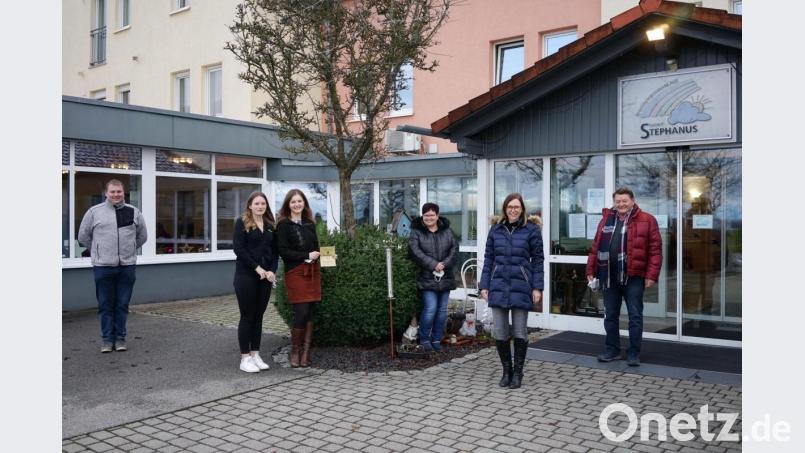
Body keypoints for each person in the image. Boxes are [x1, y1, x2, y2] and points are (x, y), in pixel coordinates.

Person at [586, 187, 662, 367]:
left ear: (633, 201)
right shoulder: (606, 220)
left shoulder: (647, 220)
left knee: (635, 316)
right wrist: (590, 270)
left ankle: (633, 352)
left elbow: (655, 250)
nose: (621, 204)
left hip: (634, 276)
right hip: (609, 276)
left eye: (624, 201)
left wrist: (652, 275)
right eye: (618, 201)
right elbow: (596, 247)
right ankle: (612, 349)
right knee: (610, 315)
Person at [479, 193, 544, 389]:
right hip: (498, 285)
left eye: (516, 207)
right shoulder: (495, 230)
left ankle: (518, 373)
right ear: (505, 209)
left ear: (522, 209)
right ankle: (506, 370)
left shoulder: (531, 230)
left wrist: (537, 287)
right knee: (499, 332)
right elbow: (488, 258)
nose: (513, 210)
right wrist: (484, 285)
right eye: (510, 207)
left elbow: (538, 260)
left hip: (521, 286)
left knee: (519, 331)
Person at [78, 179, 148, 353]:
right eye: (113, 192)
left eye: (119, 191)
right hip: (103, 267)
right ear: (106, 193)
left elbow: (142, 237)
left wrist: (129, 250)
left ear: (124, 193)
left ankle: (120, 339)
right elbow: (83, 237)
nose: (116, 194)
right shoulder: (94, 212)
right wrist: (98, 251)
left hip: (127, 266)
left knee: (122, 304)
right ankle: (107, 340)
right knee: (105, 305)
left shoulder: (133, 212)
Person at [232, 191, 279, 373]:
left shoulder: (269, 226)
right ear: (250, 205)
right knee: (247, 316)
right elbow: (239, 249)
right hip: (246, 276)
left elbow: (275, 252)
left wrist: (271, 271)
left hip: (265, 277)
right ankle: (245, 358)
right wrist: (257, 268)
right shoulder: (241, 223)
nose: (260, 206)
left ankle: (255, 354)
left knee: (259, 317)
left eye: (263, 203)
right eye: (257, 203)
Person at [276, 189, 321, 368]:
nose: (296, 204)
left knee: (310, 312)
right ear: (288, 204)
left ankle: (306, 353)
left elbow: (315, 248)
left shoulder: (310, 223)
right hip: (295, 272)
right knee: (301, 312)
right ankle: (295, 350)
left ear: (304, 204)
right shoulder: (283, 225)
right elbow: (283, 251)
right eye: (293, 202)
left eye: (299, 201)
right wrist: (306, 254)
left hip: (312, 271)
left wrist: (326, 256)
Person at [408, 203, 459, 352]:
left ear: (437, 215)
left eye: (432, 215)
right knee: (430, 308)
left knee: (442, 310)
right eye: (426, 215)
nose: (429, 218)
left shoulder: (447, 231)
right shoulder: (416, 232)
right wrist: (433, 265)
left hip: (446, 276)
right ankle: (424, 339)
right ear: (422, 216)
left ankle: (436, 339)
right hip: (427, 278)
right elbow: (414, 251)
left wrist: (444, 264)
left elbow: (455, 249)